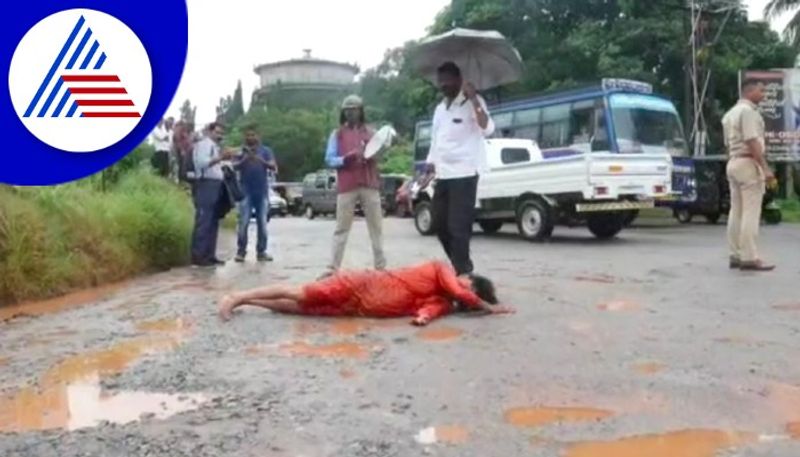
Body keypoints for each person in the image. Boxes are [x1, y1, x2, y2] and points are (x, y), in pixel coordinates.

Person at [218, 260, 514, 326]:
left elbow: (432, 310)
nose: (462, 285)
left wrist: (423, 318)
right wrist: (489, 308)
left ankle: (250, 301)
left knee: (300, 308)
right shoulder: (442, 270)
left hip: (358, 307)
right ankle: (236, 297)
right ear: (469, 282)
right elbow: (454, 290)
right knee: (300, 294)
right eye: (467, 285)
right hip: (360, 284)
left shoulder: (444, 301)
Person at [422, 62, 495, 276]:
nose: (443, 85)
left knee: (458, 228)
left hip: (465, 174)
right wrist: (429, 164)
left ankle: (463, 275)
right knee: (439, 224)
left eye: (447, 80)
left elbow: (488, 128)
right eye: (440, 81)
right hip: (443, 175)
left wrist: (473, 99)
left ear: (458, 79)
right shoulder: (439, 109)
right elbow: (436, 141)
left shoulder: (473, 101)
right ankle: (460, 267)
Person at [321, 95, 386, 278]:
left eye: (354, 109)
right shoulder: (337, 134)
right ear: (343, 113)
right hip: (347, 185)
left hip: (369, 183)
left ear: (361, 111)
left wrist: (374, 154)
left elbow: (380, 154)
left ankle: (380, 267)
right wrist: (345, 159)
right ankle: (333, 267)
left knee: (376, 227)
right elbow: (329, 159)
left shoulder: (372, 133)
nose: (351, 113)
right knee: (341, 228)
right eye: (347, 110)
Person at [721, 79, 775, 272]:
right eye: (761, 91)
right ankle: (749, 257)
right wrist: (765, 167)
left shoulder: (729, 114)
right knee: (751, 212)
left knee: (736, 211)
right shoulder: (748, 112)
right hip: (747, 162)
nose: (763, 95)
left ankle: (735, 254)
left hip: (733, 161)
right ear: (750, 92)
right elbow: (752, 140)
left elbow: (728, 145)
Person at [191, 122, 235, 267]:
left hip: (216, 184)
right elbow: (202, 163)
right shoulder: (204, 144)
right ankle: (199, 257)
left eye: (221, 133)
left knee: (213, 221)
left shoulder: (214, 147)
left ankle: (209, 255)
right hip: (206, 183)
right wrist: (221, 157)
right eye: (217, 132)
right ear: (209, 131)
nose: (220, 135)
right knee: (204, 220)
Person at [234, 125, 278, 263]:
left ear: (258, 136)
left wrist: (259, 159)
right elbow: (234, 166)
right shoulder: (240, 151)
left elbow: (273, 166)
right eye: (248, 135)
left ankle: (261, 252)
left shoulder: (266, 151)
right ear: (244, 137)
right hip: (245, 191)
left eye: (253, 135)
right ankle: (241, 252)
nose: (251, 138)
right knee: (243, 223)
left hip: (262, 191)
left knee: (262, 223)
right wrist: (245, 159)